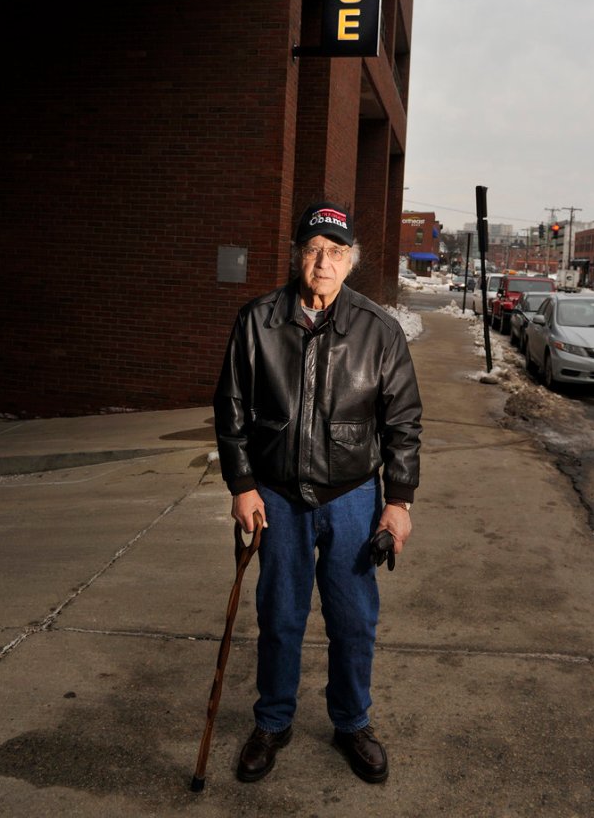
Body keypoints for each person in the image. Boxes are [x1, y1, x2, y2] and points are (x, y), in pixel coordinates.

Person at [214, 201, 422, 785]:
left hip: (353, 495)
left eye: (335, 253)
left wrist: (398, 502)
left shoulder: (378, 330)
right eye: (313, 250)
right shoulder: (257, 321)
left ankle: (352, 721)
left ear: (350, 262)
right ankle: (272, 722)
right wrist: (242, 486)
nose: (323, 263)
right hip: (277, 494)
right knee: (279, 614)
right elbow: (230, 410)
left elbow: (403, 423)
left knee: (353, 619)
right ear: (296, 256)